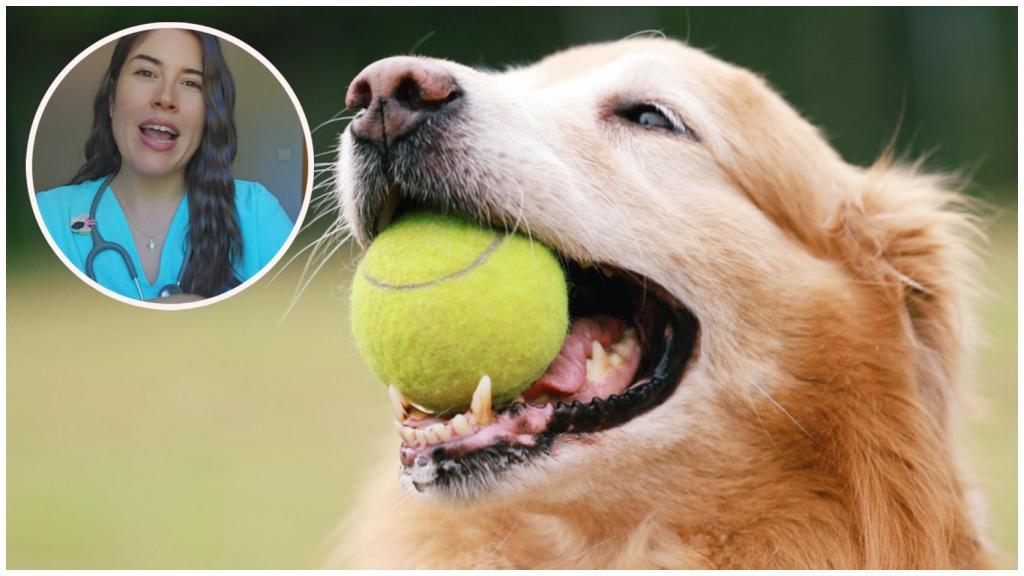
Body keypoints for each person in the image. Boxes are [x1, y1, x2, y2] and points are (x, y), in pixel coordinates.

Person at [36, 28, 294, 303]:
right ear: (112, 100)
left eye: (191, 83)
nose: (166, 98)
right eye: (146, 73)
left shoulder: (256, 213)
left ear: (210, 113)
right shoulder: (48, 216)